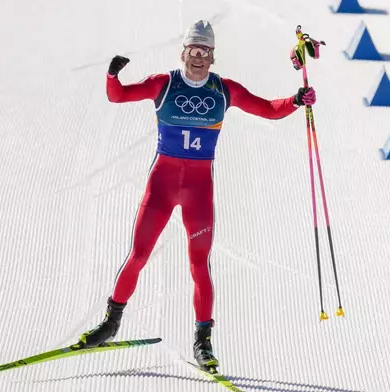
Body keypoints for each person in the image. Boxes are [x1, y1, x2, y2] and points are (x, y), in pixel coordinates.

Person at [76, 20, 317, 371]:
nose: (198, 58)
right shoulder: (165, 84)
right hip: (161, 186)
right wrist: (112, 76)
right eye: (193, 51)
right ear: (183, 52)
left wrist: (297, 100)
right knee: (139, 255)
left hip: (199, 192)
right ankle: (111, 323)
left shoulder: (224, 90)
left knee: (199, 266)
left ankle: (203, 343)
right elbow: (118, 96)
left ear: (213, 56)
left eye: (205, 52)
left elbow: (268, 109)